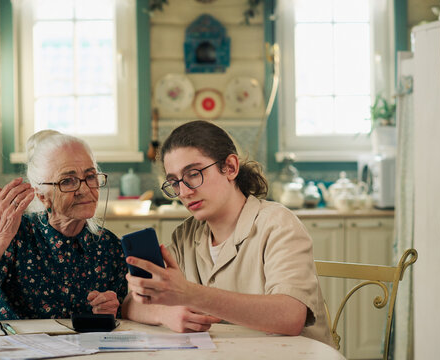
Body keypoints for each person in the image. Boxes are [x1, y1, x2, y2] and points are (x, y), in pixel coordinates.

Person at [122, 120, 333, 346]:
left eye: (193, 173)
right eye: (174, 182)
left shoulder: (277, 224)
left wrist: (189, 294)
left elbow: (290, 316)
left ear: (230, 167)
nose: (183, 192)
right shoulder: (185, 236)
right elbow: (129, 304)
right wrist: (165, 314)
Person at [0, 130, 128, 320]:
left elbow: (124, 312)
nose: (85, 190)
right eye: (67, 181)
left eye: (90, 177)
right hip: (15, 347)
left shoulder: (110, 247)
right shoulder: (16, 236)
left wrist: (113, 309)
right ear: (42, 196)